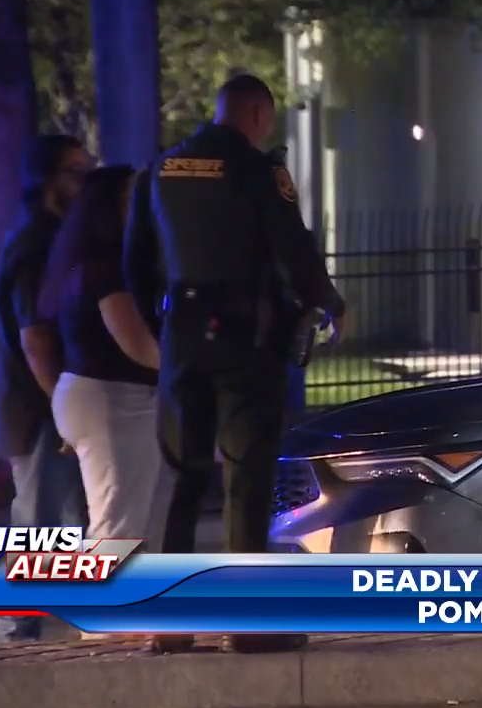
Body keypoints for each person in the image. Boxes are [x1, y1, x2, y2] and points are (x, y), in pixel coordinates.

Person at [123, 73, 346, 653]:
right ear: (256, 114)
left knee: (183, 475)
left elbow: (135, 263)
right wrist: (331, 302)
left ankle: (170, 624)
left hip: (182, 339)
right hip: (246, 342)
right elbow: (293, 250)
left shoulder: (161, 170)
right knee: (246, 478)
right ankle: (246, 623)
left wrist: (163, 328)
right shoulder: (257, 171)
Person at [37, 166, 171, 613]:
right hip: (113, 401)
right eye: (133, 198)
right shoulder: (105, 267)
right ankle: (103, 615)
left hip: (96, 397)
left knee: (120, 512)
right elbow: (135, 342)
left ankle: (119, 610)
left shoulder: (81, 260)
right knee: (118, 519)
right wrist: (186, 369)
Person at [0, 134, 91, 642]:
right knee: (38, 517)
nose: (86, 182)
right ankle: (13, 618)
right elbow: (35, 337)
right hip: (37, 405)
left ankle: (71, 612)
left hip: (47, 402)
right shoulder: (38, 244)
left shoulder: (49, 237)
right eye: (76, 172)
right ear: (47, 181)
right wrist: (62, 404)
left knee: (69, 513)